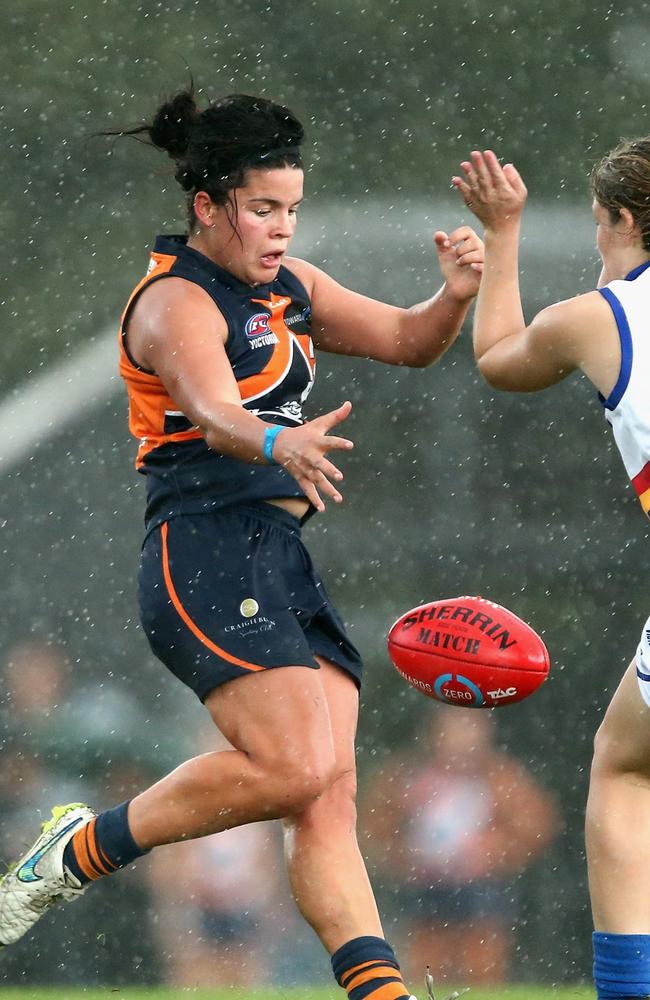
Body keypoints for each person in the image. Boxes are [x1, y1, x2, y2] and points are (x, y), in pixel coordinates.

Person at [0, 88, 484, 1000]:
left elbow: (409, 341)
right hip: (205, 554)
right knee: (295, 766)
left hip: (280, 558)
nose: (282, 229)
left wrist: (453, 298)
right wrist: (275, 440)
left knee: (326, 792)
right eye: (264, 209)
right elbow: (214, 408)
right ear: (208, 206)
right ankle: (83, 846)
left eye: (292, 210)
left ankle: (379, 995)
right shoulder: (172, 301)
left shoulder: (292, 289)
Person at [452, 139, 650, 1000]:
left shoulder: (603, 316)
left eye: (599, 222)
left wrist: (503, 232)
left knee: (625, 767)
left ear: (623, 220)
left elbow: (497, 357)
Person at [362, 708, 558, 987]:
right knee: (426, 965)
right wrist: (404, 856)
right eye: (452, 730)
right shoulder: (406, 775)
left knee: (482, 964)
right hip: (425, 885)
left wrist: (492, 850)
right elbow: (375, 827)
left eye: (470, 729)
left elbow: (535, 826)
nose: (461, 739)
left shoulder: (501, 777)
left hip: (482, 887)